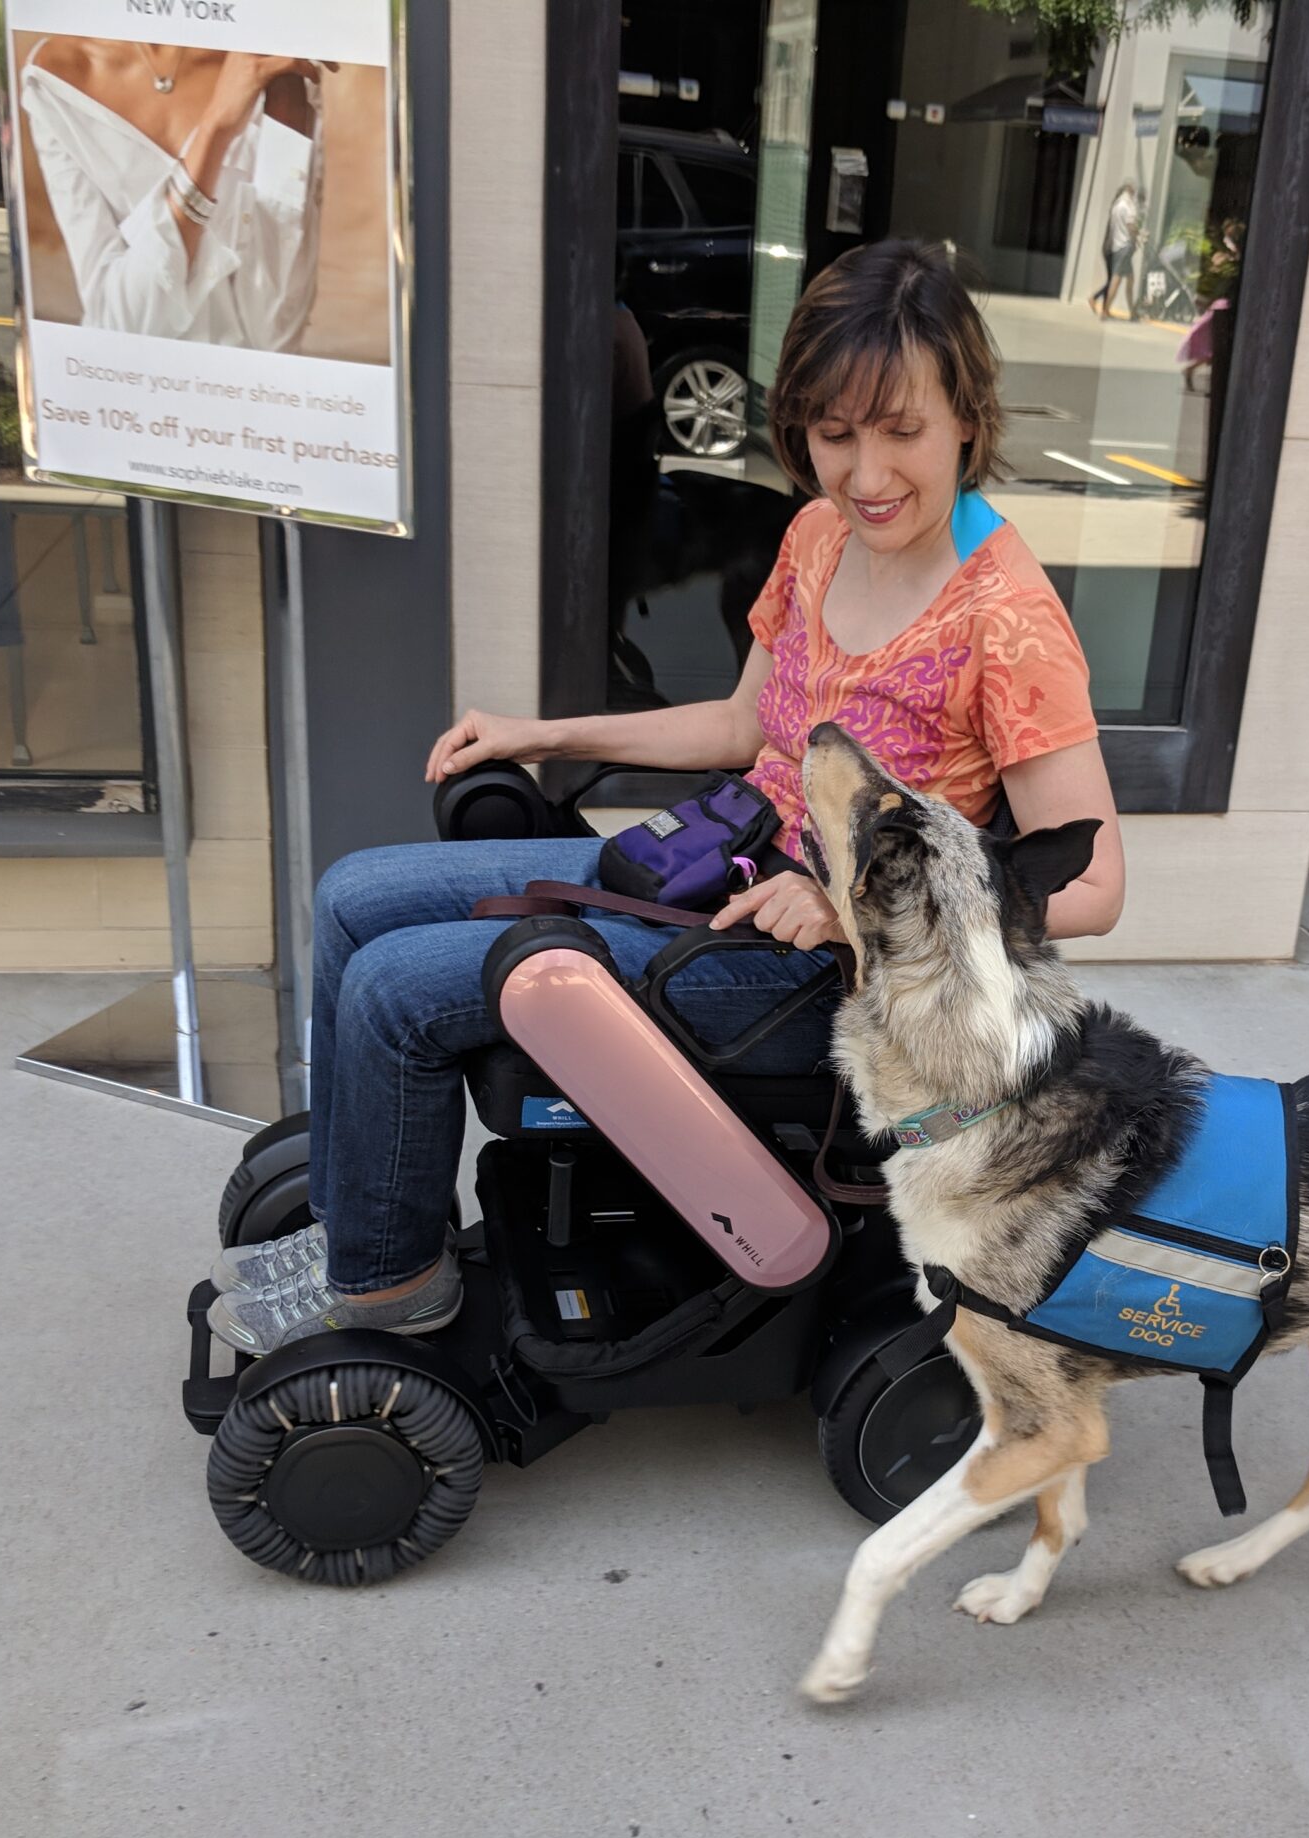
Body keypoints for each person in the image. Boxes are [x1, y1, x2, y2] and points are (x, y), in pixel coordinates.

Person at [207, 237, 1128, 1356]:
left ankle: (386, 1288)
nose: (867, 474)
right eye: (835, 434)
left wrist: (850, 908)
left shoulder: (1008, 624)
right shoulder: (819, 536)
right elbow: (744, 728)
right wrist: (545, 731)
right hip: (722, 860)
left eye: (902, 431)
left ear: (967, 421)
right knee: (354, 897)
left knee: (401, 992)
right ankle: (364, 1216)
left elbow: (1094, 888)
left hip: (831, 976)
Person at [16, 37, 327, 349]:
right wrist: (215, 129)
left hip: (256, 379)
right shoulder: (54, 76)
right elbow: (118, 323)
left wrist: (286, 95)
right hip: (128, 375)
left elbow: (273, 330)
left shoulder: (276, 66)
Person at [1089, 182, 1143, 322]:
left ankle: (1132, 312)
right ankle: (1105, 311)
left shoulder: (1116, 206)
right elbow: (1130, 226)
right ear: (1131, 192)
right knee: (1116, 279)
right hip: (1125, 246)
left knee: (1130, 279)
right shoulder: (1128, 206)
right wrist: (1139, 235)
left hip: (1116, 246)